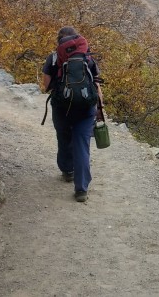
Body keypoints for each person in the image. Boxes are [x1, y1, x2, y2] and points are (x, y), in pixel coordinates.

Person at [41, 26, 104, 202]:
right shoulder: (88, 58)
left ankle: (67, 171)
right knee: (82, 146)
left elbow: (45, 85)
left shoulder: (53, 58)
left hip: (61, 109)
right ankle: (81, 189)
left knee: (63, 138)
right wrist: (100, 108)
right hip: (85, 109)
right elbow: (96, 84)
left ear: (59, 42)